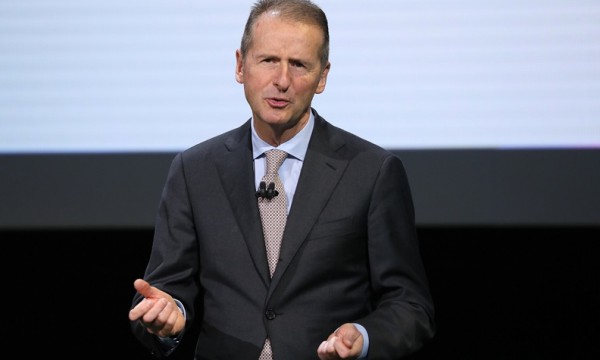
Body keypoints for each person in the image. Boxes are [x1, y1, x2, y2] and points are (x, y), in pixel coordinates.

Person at [128, 0, 435, 359]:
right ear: (241, 65)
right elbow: (165, 290)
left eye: (300, 65)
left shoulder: (372, 171)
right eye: (269, 60)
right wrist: (168, 315)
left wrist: (363, 336)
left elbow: (410, 306)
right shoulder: (195, 170)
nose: (282, 81)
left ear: (322, 77)